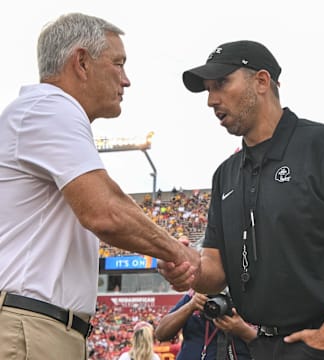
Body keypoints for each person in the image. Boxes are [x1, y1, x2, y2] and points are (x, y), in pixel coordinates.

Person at [0, 12, 199, 360]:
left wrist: (164, 248)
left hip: (34, 323)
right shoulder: (52, 107)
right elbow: (105, 211)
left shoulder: (41, 111)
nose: (126, 80)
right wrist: (179, 254)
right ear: (81, 62)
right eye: (118, 64)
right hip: (28, 324)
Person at [157, 40, 324, 359]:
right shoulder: (226, 174)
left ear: (262, 81)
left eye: (221, 84)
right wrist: (188, 267)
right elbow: (216, 270)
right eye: (208, 90)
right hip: (258, 346)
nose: (211, 100)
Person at [155, 289, 255, 359]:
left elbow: (268, 345)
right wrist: (190, 306)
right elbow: (161, 334)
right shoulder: (196, 294)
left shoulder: (251, 296)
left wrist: (242, 330)